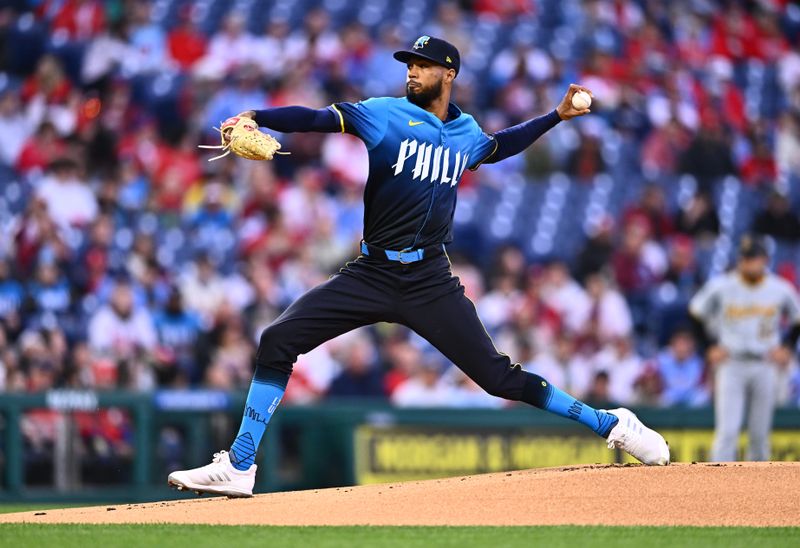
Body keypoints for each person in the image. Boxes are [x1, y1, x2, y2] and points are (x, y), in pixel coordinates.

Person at [169, 36, 669, 498]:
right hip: (372, 272)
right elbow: (318, 118)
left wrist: (555, 115)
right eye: (409, 63)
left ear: (447, 74)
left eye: (423, 65)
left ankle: (611, 424)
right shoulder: (381, 114)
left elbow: (498, 146)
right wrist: (258, 113)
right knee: (277, 340)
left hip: (429, 278)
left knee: (499, 378)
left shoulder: (465, 131)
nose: (412, 71)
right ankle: (240, 464)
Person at [690, 235, 800, 461]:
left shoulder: (779, 288)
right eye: (745, 257)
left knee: (760, 435)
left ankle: (760, 493)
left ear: (765, 260)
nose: (749, 262)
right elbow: (694, 312)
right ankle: (716, 489)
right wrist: (708, 347)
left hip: (765, 362)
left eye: (754, 258)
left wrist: (787, 347)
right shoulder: (723, 285)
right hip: (732, 363)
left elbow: (797, 317)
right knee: (727, 432)